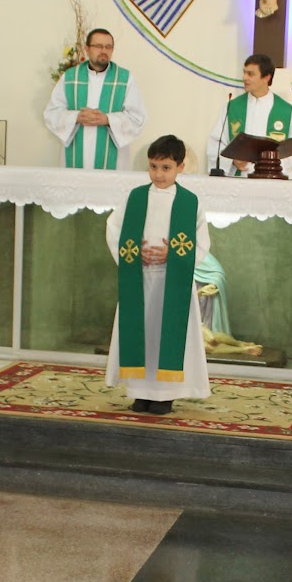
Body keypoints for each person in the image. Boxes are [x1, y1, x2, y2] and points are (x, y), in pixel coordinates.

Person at [105, 133, 210, 414]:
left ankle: (164, 395)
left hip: (171, 281)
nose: (159, 174)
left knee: (165, 336)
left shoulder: (190, 202)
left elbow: (201, 241)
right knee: (143, 335)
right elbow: (114, 229)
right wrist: (132, 251)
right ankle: (140, 392)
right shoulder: (135, 197)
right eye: (153, 167)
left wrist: (172, 254)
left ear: (180, 167)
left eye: (166, 168)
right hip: (139, 280)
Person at [44, 28, 147, 170]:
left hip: (114, 159)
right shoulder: (70, 77)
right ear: (87, 49)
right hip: (74, 155)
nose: (104, 50)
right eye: (98, 46)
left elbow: (137, 118)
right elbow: (52, 113)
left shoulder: (125, 78)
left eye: (108, 47)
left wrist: (108, 120)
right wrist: (76, 117)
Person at [204, 54, 292, 177]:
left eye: (250, 74)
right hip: (238, 181)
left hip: (273, 181)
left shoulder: (286, 111)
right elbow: (216, 143)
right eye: (244, 73)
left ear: (266, 78)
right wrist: (231, 160)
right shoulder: (233, 107)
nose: (244, 78)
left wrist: (275, 164)